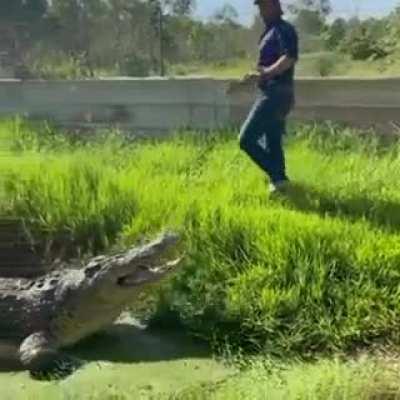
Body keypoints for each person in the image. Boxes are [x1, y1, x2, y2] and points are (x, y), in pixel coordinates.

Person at [238, 0, 299, 194]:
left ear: (275, 6)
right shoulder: (270, 31)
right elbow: (269, 64)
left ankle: (279, 177)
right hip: (275, 92)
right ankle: (279, 185)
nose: (261, 11)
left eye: (265, 6)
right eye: (260, 7)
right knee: (272, 141)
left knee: (246, 139)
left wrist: (265, 74)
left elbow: (289, 58)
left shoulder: (284, 29)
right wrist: (253, 77)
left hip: (276, 93)